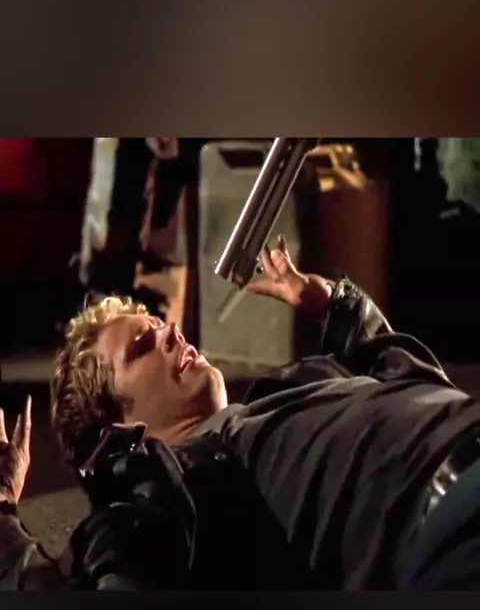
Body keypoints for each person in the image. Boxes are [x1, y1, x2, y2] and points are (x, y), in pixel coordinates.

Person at [2, 237, 480, 589]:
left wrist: (335, 307)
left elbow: (418, 381)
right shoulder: (173, 501)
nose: (172, 332)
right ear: (118, 428)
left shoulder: (286, 393)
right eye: (143, 346)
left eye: (158, 323)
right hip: (447, 518)